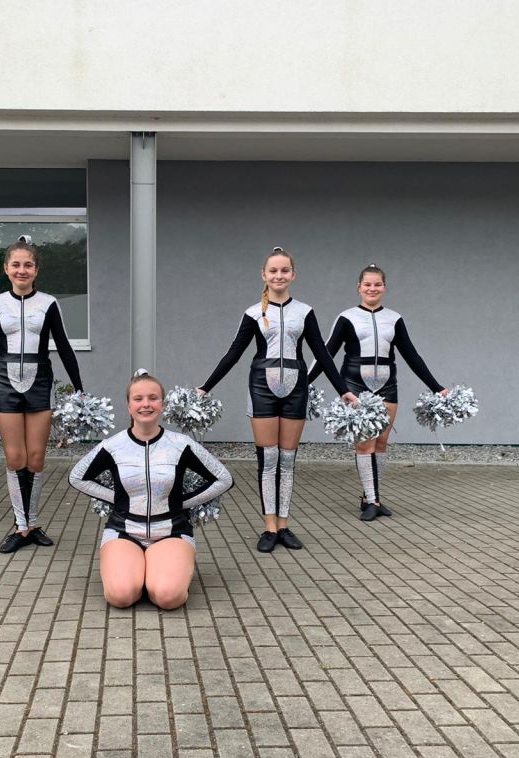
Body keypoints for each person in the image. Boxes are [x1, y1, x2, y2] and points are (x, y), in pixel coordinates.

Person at [198, 247, 357, 553]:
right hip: (262, 385)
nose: (279, 275)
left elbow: (322, 354)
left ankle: (284, 524)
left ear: (293, 275)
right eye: (273, 270)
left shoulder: (305, 312)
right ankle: (269, 527)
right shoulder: (253, 313)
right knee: (268, 458)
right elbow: (234, 353)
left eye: (285, 270)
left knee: (287, 459)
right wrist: (206, 386)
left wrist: (343, 390)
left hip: (297, 386)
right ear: (264, 275)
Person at [0, 235, 84, 553]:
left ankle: (32, 523)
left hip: (40, 379)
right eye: (15, 264)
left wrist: (80, 388)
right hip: (5, 380)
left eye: (28, 265)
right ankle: (21, 526)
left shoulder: (49, 303)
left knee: (37, 457)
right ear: (6, 268)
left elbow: (64, 346)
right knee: (16, 458)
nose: (22, 270)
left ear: (36, 270)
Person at [69, 370, 233, 609]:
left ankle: (159, 574)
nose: (146, 404)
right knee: (120, 596)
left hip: (171, 532)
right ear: (129, 406)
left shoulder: (181, 444)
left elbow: (223, 478)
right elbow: (77, 476)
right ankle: (139, 573)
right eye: (138, 399)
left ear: (162, 405)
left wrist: (183, 502)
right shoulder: (113, 445)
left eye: (153, 398)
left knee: (168, 597)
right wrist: (117, 499)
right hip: (124, 531)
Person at [309, 264, 449, 521]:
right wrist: (305, 381)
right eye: (367, 284)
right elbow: (326, 353)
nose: (372, 289)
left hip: (387, 385)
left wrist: (436, 387)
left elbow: (411, 355)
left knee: (381, 442)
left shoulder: (394, 318)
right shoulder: (347, 317)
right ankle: (373, 501)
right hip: (355, 385)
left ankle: (370, 497)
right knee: (365, 443)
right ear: (359, 287)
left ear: (384, 287)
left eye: (377, 284)